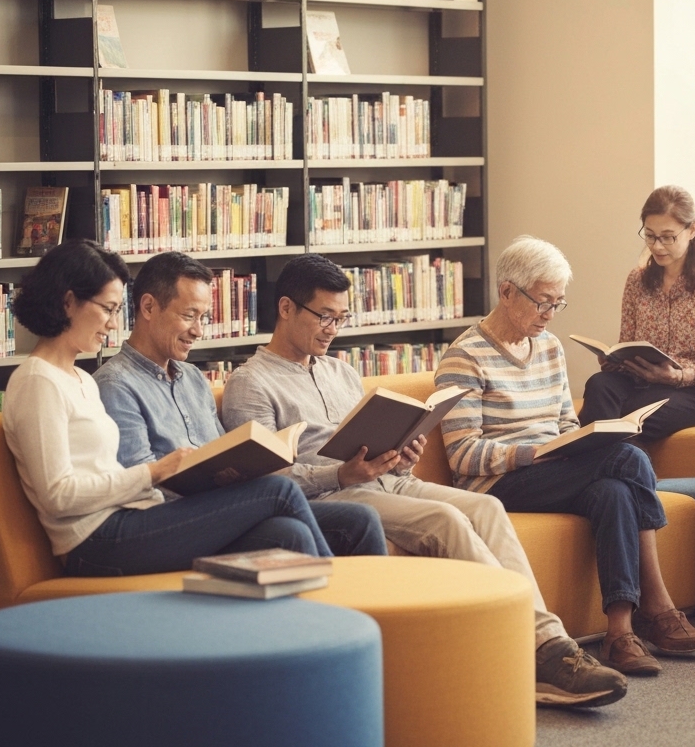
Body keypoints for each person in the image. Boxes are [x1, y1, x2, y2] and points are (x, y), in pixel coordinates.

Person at [219, 254, 627, 709]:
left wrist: (401, 454)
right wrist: (340, 472)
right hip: (338, 495)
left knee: (486, 508)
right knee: (445, 519)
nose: (333, 328)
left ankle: (547, 642)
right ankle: (538, 654)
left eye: (341, 318)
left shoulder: (340, 370)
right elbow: (267, 482)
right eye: (324, 316)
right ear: (287, 308)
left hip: (387, 482)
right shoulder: (250, 384)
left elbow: (370, 444)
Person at [436, 235, 695, 677]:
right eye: (543, 302)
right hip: (501, 482)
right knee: (629, 460)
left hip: (554, 469)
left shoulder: (548, 348)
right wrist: (535, 454)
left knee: (613, 492)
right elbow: (463, 456)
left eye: (558, 304)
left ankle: (619, 632)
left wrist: (573, 443)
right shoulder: (464, 357)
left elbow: (566, 421)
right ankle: (658, 605)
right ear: (507, 291)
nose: (549, 315)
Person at [2, 241, 333, 577]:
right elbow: (56, 497)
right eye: (107, 309)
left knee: (288, 534)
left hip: (134, 517)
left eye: (117, 311)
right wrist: (156, 472)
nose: (113, 325)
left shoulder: (79, 379)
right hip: (95, 540)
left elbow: (103, 471)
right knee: (280, 489)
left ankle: (309, 621)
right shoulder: (38, 381)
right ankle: (345, 604)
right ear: (68, 301)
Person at [93, 251, 386, 557]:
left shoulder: (193, 378)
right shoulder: (116, 385)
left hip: (219, 505)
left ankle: (363, 603)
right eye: (189, 315)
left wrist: (235, 470)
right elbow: (141, 484)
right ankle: (327, 600)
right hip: (169, 519)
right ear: (149, 307)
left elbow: (221, 449)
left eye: (203, 318)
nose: (198, 330)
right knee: (281, 499)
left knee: (359, 519)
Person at [577, 185, 695, 443]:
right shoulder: (637, 280)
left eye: (668, 237)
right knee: (599, 385)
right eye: (650, 235)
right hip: (643, 383)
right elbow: (628, 343)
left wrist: (680, 376)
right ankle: (616, 471)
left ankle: (609, 473)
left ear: (692, 230)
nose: (657, 246)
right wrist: (614, 358)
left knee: (623, 414)